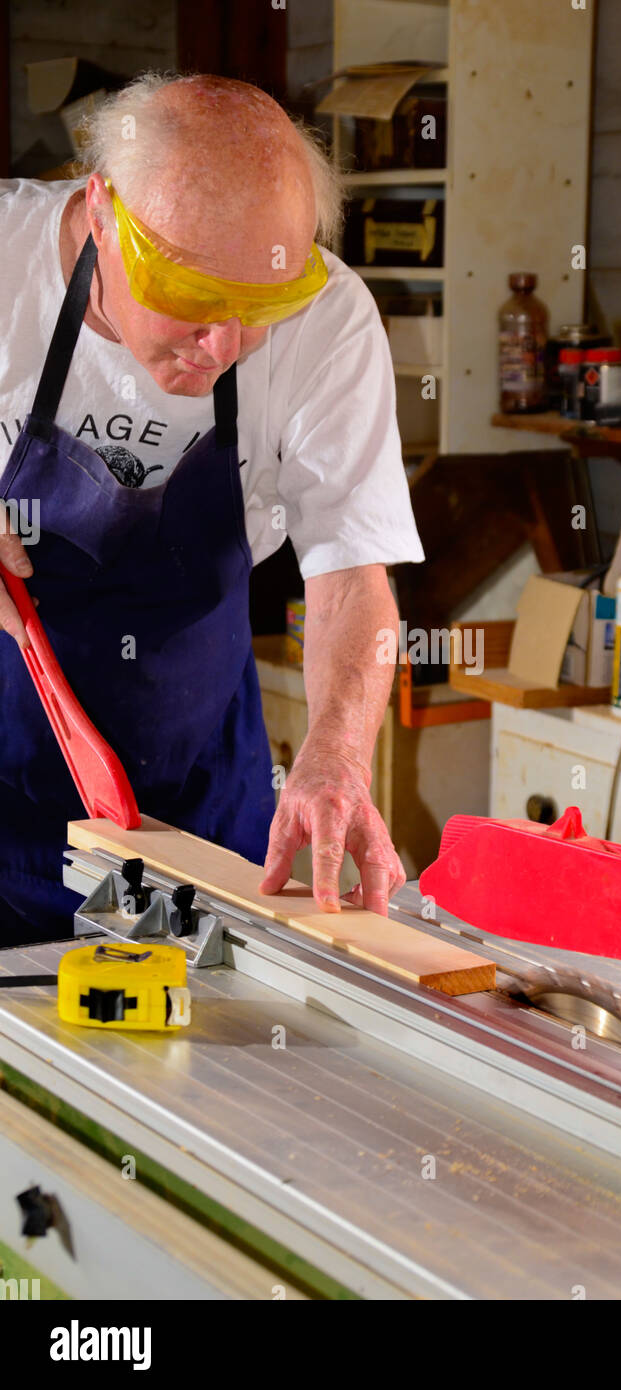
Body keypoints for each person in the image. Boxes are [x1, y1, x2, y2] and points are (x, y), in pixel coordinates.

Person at [0, 72, 424, 943]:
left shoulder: (330, 319)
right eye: (191, 301)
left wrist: (338, 757)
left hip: (199, 806)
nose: (225, 347)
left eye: (258, 306)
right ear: (101, 211)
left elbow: (351, 573)